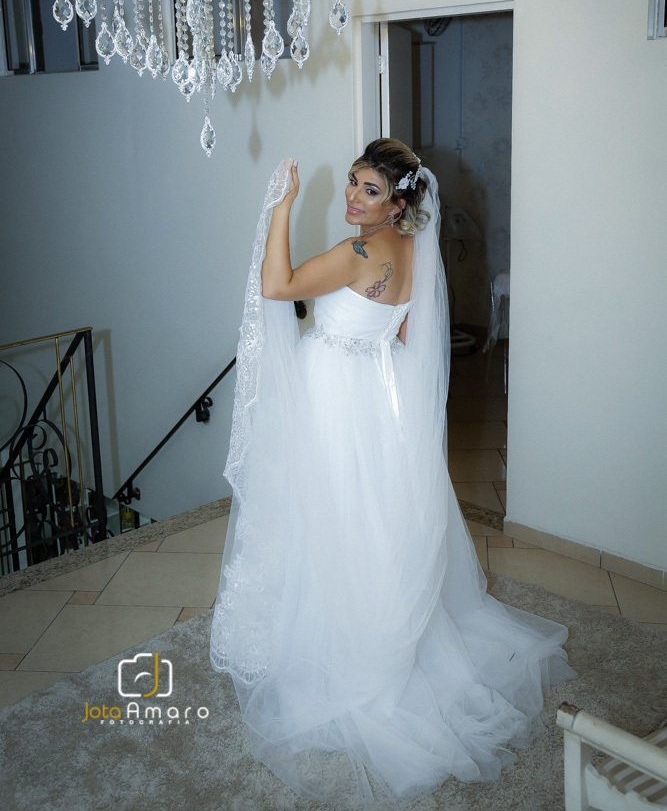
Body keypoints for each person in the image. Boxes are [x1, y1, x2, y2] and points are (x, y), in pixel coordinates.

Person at [210, 139, 575, 806]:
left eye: (369, 190)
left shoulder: (358, 253)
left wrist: (281, 207)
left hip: (332, 398)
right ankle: (370, 628)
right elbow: (406, 339)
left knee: (326, 518)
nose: (353, 197)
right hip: (375, 403)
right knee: (364, 521)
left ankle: (336, 645)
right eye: (353, 182)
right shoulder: (410, 253)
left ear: (398, 203)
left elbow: (276, 286)